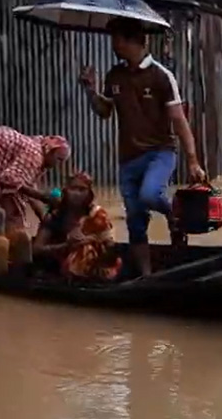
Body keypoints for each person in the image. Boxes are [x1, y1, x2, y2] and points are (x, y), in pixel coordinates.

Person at [78, 18, 206, 277]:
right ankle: (146, 276)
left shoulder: (161, 76)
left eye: (117, 39)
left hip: (160, 152)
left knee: (150, 194)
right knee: (136, 223)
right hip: (127, 158)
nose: (114, 45)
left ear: (135, 41)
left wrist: (192, 160)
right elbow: (105, 111)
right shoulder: (115, 75)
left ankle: (174, 216)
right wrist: (90, 91)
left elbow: (179, 120)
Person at [33, 172, 122, 282]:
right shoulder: (55, 215)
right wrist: (66, 245)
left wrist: (91, 240)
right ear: (66, 191)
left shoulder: (97, 216)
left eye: (82, 190)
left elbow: (110, 248)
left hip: (95, 266)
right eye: (73, 189)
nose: (77, 194)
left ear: (89, 194)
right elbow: (37, 249)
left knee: (87, 248)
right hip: (59, 263)